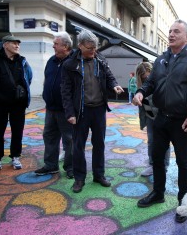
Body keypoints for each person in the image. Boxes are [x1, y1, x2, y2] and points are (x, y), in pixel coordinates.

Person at [133, 19, 187, 223]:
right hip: (160, 118)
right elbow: (150, 82)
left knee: (182, 162)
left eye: (176, 31)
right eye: (170, 31)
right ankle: (158, 193)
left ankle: (184, 203)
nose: (171, 34)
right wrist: (140, 92)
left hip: (181, 121)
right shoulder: (161, 59)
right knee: (157, 157)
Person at [61, 29, 124, 193]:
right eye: (90, 48)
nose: (93, 51)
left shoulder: (100, 59)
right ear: (80, 45)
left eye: (95, 48)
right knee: (78, 146)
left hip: (98, 110)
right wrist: (70, 113)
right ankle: (79, 178)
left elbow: (109, 76)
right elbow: (66, 91)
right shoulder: (70, 64)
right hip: (80, 111)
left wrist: (115, 85)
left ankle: (99, 175)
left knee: (99, 144)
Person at [0, 34, 32, 171]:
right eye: (14, 43)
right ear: (5, 45)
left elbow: (29, 77)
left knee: (17, 131)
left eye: (18, 44)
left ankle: (15, 156)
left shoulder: (22, 61)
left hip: (18, 103)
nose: (17, 46)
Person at [34, 32, 74, 179]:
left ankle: (70, 167)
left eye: (56, 44)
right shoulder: (51, 60)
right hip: (51, 108)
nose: (53, 46)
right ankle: (51, 165)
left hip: (67, 109)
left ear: (65, 46)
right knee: (49, 136)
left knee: (69, 139)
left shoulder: (75, 61)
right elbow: (47, 79)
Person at [134, 62, 170, 177]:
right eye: (144, 78)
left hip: (162, 115)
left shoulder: (161, 80)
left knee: (164, 142)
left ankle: (164, 166)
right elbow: (142, 107)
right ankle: (152, 165)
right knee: (151, 142)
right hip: (150, 116)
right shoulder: (141, 87)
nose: (147, 79)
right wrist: (143, 123)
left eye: (148, 76)